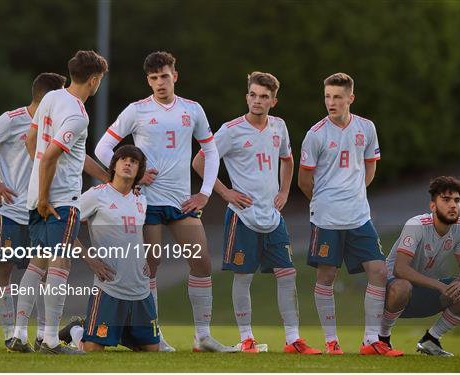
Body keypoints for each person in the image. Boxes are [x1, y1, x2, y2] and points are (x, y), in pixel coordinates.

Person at [95, 51, 236, 353]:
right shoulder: (137, 110)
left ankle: (203, 337)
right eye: (154, 78)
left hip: (182, 202)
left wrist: (206, 192)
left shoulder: (193, 110)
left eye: (164, 76)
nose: (160, 82)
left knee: (202, 263)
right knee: (150, 266)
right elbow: (104, 147)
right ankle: (155, 335)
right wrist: (133, 179)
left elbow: (211, 153)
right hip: (146, 203)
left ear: (175, 76)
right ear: (148, 80)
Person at [192, 72, 321, 354]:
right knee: (244, 276)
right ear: (247, 96)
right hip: (243, 216)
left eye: (264, 96)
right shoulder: (231, 129)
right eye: (253, 94)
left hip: (272, 216)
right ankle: (247, 338)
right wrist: (225, 193)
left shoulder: (279, 126)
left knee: (287, 273)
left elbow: (287, 159)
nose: (257, 100)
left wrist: (285, 191)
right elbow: (200, 161)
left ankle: (293, 340)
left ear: (273, 101)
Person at [9, 50, 109, 354]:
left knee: (36, 263)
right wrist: (45, 196)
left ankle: (17, 334)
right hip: (58, 200)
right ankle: (51, 340)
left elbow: (31, 141)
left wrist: (39, 186)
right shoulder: (78, 115)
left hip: (37, 197)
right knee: (60, 263)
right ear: (94, 80)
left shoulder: (52, 96)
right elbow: (52, 155)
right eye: (100, 80)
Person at [298, 73, 402, 356]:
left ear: (350, 99)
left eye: (337, 97)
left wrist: (354, 193)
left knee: (379, 271)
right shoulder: (315, 134)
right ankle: (332, 342)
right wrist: (323, 201)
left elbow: (370, 167)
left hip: (359, 216)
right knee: (327, 276)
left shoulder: (367, 128)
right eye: (327, 97)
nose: (331, 102)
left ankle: (371, 341)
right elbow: (304, 180)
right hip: (327, 218)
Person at [0, 73, 66, 349]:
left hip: (37, 208)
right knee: (4, 271)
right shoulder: (12, 119)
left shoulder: (54, 125)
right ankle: (11, 335)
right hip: (8, 210)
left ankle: (44, 335)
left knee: (43, 272)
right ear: (48, 97)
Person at [58, 145, 160, 352]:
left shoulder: (141, 199)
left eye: (134, 161)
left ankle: (117, 332)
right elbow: (63, 226)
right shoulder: (96, 195)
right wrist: (90, 260)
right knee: (92, 350)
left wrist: (148, 260)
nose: (128, 163)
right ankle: (76, 329)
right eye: (123, 159)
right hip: (109, 286)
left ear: (139, 170)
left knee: (151, 351)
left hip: (140, 287)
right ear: (114, 165)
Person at [380, 176, 460, 356]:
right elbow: (400, 270)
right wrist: (440, 286)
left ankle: (431, 339)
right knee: (403, 286)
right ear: (433, 206)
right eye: (446, 199)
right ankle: (383, 339)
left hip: (423, 294)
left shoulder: (459, 226)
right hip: (391, 295)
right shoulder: (417, 225)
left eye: (457, 200)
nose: (453, 205)